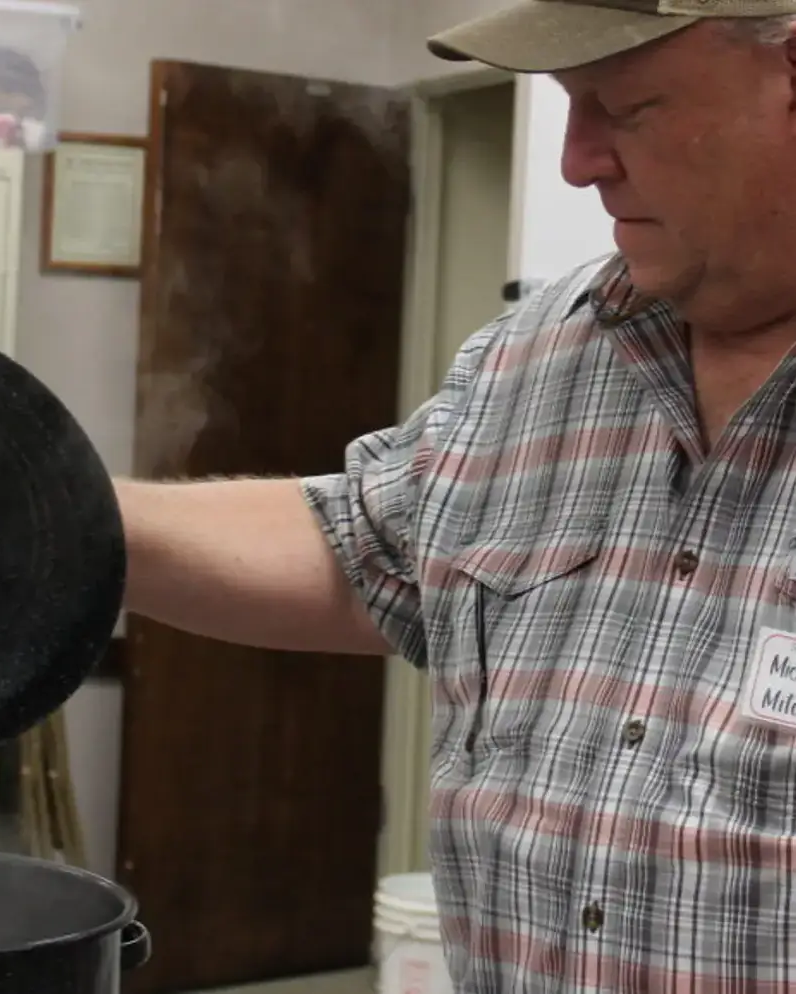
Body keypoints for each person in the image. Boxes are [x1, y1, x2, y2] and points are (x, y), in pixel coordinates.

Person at [115, 1, 796, 989]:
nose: (577, 161)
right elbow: (364, 552)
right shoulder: (537, 355)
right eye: (567, 106)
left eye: (625, 105)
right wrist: (41, 514)